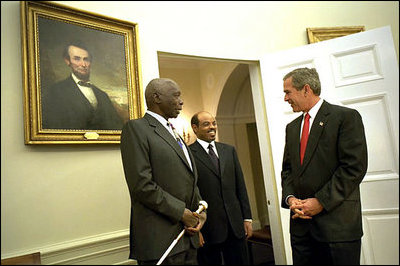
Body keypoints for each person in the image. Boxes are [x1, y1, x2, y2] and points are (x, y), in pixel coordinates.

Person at [280, 67, 368, 265]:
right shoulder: (292, 128)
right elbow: (288, 170)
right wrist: (290, 198)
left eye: (288, 92)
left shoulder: (345, 118)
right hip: (301, 228)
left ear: (306, 89)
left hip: (337, 227)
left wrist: (320, 201)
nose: (285, 98)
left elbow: (353, 168)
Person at [120, 78, 206, 265]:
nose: (181, 101)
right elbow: (141, 185)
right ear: (156, 97)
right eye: (176, 95)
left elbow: (188, 178)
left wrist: (200, 211)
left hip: (188, 238)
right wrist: (181, 213)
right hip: (161, 242)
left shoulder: (174, 131)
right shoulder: (136, 129)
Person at [189, 111, 253, 265]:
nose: (212, 127)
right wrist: (196, 228)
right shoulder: (188, 154)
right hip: (208, 229)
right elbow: (190, 194)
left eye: (214, 123)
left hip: (235, 227)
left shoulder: (228, 150)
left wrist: (247, 218)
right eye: (206, 124)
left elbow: (240, 186)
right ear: (194, 128)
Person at [41, 41, 123, 130]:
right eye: (77, 59)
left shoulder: (103, 95)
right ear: (67, 61)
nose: (83, 64)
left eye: (86, 59)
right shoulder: (56, 91)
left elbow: (117, 127)